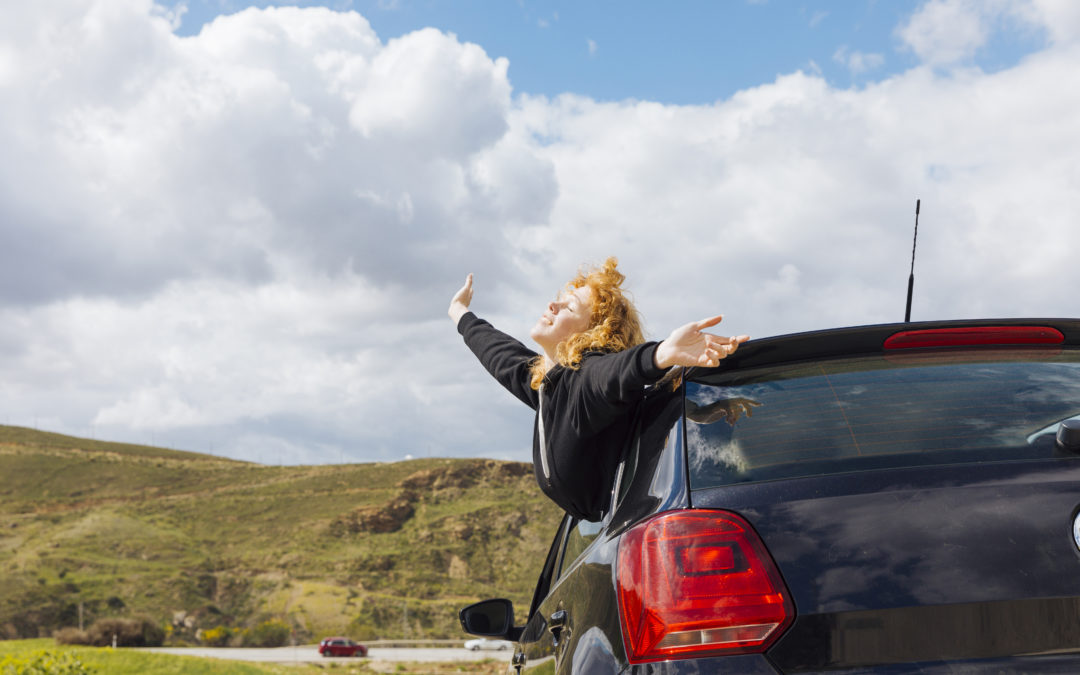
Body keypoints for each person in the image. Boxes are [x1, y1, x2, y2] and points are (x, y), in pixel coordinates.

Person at [448, 257, 749, 521]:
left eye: (568, 306)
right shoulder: (548, 385)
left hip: (633, 519)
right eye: (559, 298)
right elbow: (500, 354)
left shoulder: (585, 381)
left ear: (594, 332)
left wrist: (660, 354)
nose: (552, 304)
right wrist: (460, 313)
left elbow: (612, 372)